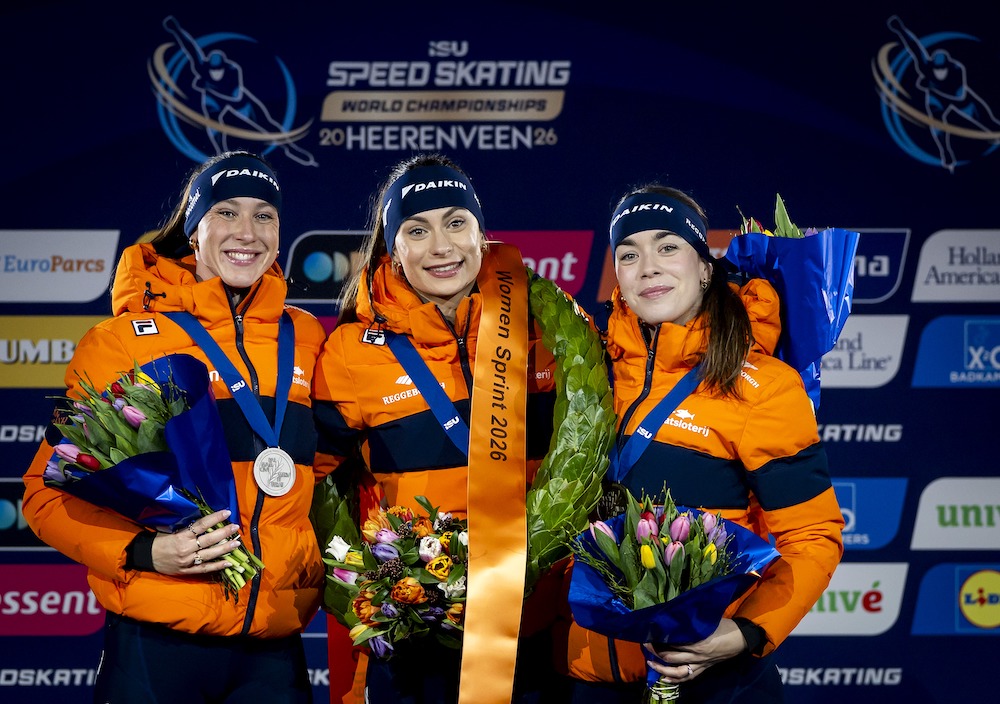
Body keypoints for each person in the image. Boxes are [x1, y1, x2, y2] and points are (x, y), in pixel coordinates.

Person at [22, 150, 328, 703]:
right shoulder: (122, 341)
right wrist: (145, 551)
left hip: (273, 646)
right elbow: (44, 496)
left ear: (280, 233)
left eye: (264, 215)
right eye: (226, 212)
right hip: (157, 644)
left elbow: (327, 476)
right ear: (193, 229)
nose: (247, 231)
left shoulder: (306, 337)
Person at [554, 184, 845, 702]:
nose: (648, 267)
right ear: (617, 276)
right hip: (591, 678)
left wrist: (745, 632)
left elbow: (812, 537)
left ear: (705, 268)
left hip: (714, 680)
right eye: (629, 254)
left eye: (667, 247)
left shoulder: (763, 386)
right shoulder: (588, 373)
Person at [312, 153, 565, 704]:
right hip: (416, 637)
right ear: (393, 248)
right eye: (417, 230)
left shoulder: (548, 330)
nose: (441, 246)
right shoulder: (351, 353)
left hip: (536, 628)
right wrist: (365, 582)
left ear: (481, 232)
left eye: (455, 222)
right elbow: (307, 486)